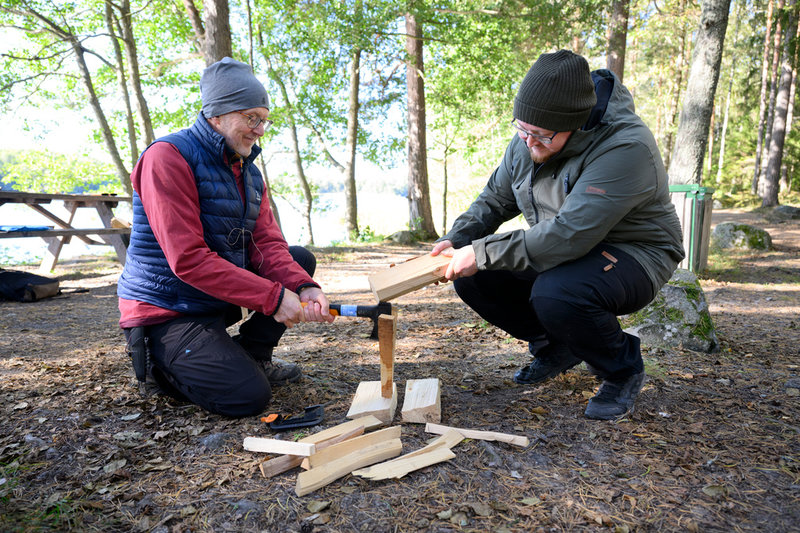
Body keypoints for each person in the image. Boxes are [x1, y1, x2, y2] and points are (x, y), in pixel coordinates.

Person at [432, 50, 685, 420]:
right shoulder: (531, 136)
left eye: (540, 136)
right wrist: (458, 239)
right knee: (474, 279)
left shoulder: (625, 147)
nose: (529, 142)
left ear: (576, 123)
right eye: (522, 130)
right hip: (568, 245)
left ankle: (621, 368)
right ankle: (558, 346)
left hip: (635, 253)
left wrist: (482, 252)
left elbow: (569, 234)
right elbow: (494, 200)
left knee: (558, 293)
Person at [117, 57, 335, 418]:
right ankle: (161, 366)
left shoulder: (248, 172)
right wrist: (273, 297)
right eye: (252, 118)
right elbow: (188, 259)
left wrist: (302, 285)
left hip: (209, 302)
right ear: (216, 115)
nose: (260, 130)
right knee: (246, 397)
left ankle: (251, 356)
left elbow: (266, 244)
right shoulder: (167, 158)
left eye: (264, 119)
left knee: (298, 260)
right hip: (166, 310)